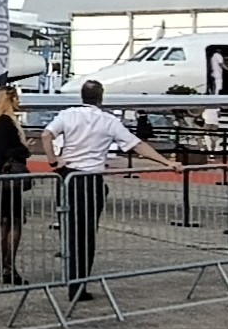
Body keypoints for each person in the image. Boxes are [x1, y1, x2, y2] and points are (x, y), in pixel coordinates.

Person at [42, 79, 178, 303]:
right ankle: (78, 284)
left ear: (82, 96)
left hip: (68, 176)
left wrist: (53, 161)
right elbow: (137, 145)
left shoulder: (67, 114)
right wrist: (166, 162)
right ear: (101, 97)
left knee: (69, 229)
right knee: (86, 235)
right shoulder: (108, 120)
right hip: (91, 178)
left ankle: (70, 275)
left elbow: (47, 135)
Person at [0, 86, 31, 286]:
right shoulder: (7, 122)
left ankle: (0, 264)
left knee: (5, 220)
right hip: (9, 174)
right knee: (14, 221)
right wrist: (24, 149)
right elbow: (10, 150)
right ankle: (7, 265)